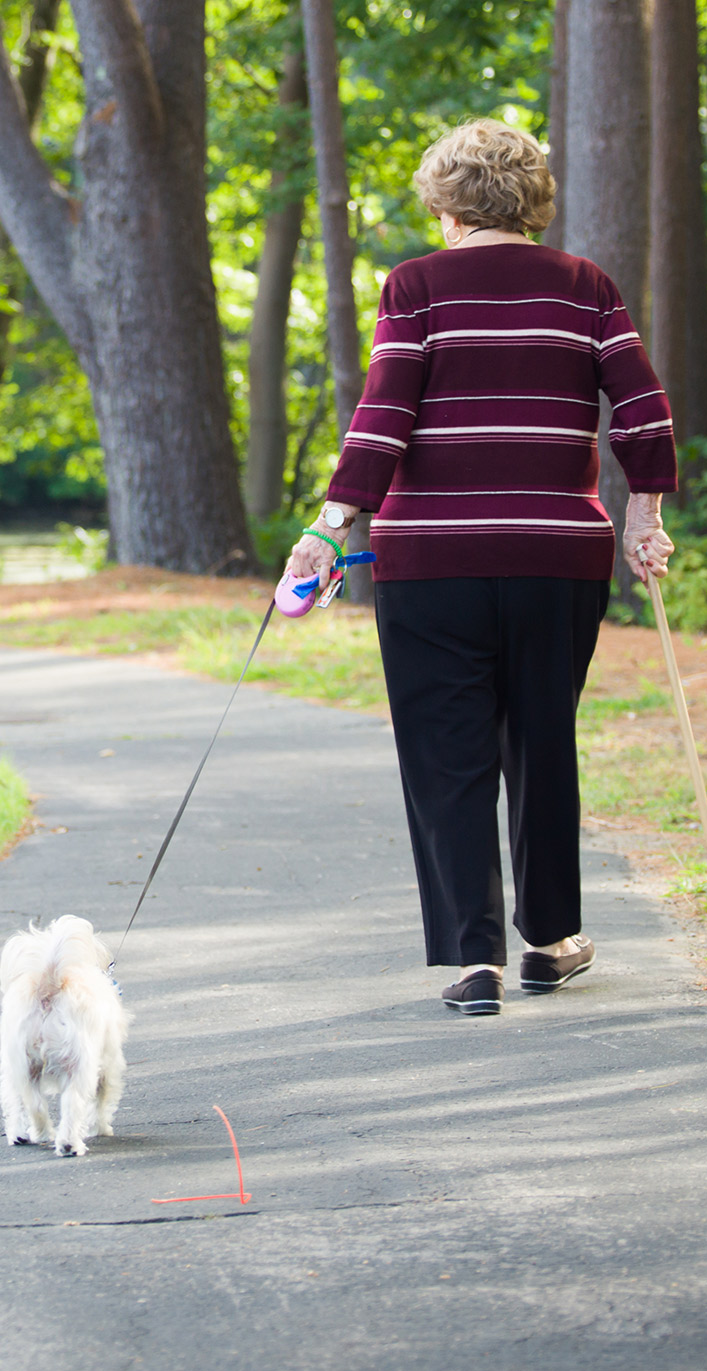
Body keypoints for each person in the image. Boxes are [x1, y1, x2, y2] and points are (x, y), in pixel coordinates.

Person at [283, 117, 676, 1018]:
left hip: (432, 560)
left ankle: (475, 962)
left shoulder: (416, 286)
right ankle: (549, 943)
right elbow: (642, 406)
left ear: (446, 205)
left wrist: (329, 526)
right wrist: (641, 515)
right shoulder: (588, 288)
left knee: (446, 754)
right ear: (531, 198)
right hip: (556, 556)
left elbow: (383, 416)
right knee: (540, 739)